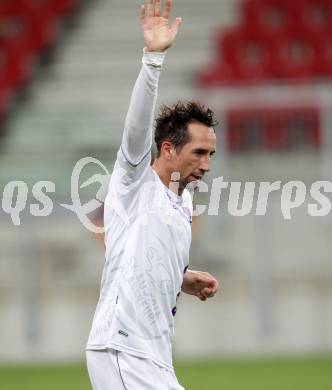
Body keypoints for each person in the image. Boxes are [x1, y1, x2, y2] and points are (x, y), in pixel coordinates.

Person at [86, 1, 219, 389]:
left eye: (211, 154)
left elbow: (140, 253)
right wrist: (153, 59)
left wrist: (183, 277)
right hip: (122, 350)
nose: (207, 164)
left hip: (154, 356)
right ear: (166, 149)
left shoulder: (183, 200)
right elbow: (137, 125)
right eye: (199, 152)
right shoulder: (134, 181)